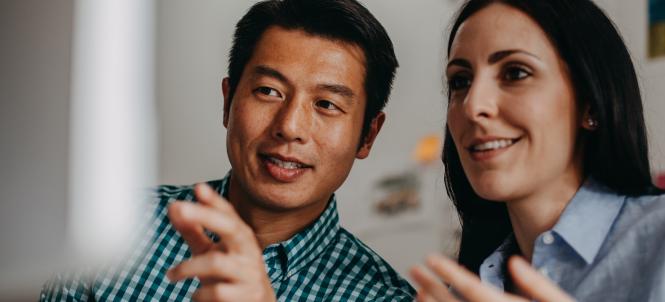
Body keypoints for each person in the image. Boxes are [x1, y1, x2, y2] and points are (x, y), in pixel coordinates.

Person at [40, 0, 415, 300]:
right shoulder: (113, 228)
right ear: (227, 101)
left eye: (327, 105)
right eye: (269, 91)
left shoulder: (384, 297)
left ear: (367, 135)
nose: (290, 126)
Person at [410, 0, 665, 301]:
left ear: (591, 105)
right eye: (461, 81)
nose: (473, 105)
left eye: (515, 73)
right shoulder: (467, 290)